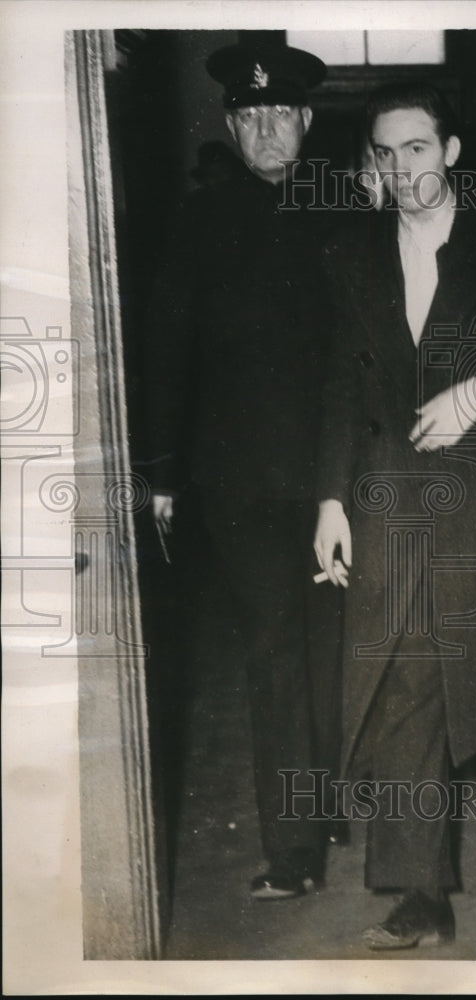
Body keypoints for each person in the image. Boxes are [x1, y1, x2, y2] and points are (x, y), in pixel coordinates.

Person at [314, 81, 476, 948]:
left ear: (450, 153)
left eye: (416, 149)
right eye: (384, 155)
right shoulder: (351, 252)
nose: (401, 170)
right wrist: (330, 501)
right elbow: (342, 390)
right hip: (393, 495)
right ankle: (416, 887)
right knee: (405, 680)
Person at [145, 41, 342, 901]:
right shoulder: (196, 224)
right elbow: (163, 352)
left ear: (305, 122)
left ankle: (326, 797)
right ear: (233, 124)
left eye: (281, 115)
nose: (267, 130)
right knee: (274, 651)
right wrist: (159, 472)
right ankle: (295, 853)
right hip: (241, 485)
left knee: (335, 644)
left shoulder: (347, 210)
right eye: (250, 116)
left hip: (339, 473)